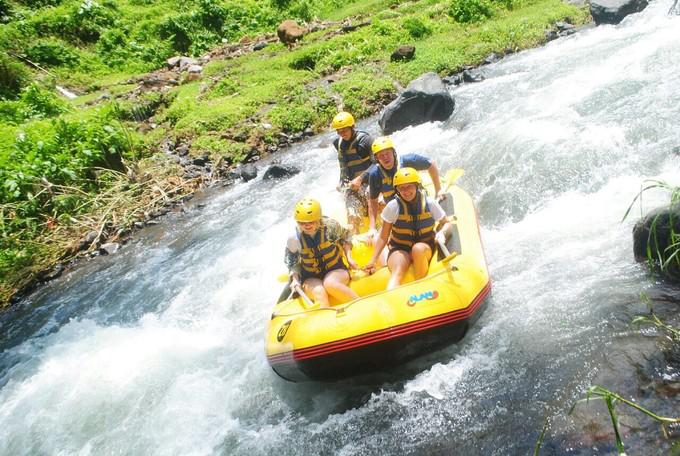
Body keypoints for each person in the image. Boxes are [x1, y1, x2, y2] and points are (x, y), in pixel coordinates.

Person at [364, 168, 452, 290]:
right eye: (402, 188)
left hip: (424, 246)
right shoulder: (392, 207)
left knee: (418, 249)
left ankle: (420, 289)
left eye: (409, 187)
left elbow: (447, 223)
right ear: (397, 190)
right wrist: (373, 260)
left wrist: (442, 232)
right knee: (398, 270)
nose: (406, 191)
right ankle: (393, 297)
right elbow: (384, 237)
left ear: (417, 186)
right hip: (400, 248)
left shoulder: (429, 203)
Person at [284, 198, 360, 307]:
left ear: (318, 218)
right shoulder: (294, 239)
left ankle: (361, 305)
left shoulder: (330, 227)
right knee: (319, 291)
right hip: (311, 277)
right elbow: (292, 262)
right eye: (302, 223)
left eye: (311, 221)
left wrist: (349, 258)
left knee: (330, 284)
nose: (307, 226)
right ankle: (326, 321)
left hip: (336, 270)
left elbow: (346, 238)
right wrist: (295, 280)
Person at [366, 136, 444, 241]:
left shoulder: (408, 160)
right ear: (377, 159)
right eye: (381, 155)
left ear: (393, 152)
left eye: (387, 153)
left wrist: (438, 190)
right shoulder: (375, 174)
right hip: (397, 210)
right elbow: (373, 202)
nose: (385, 157)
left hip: (419, 205)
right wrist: (372, 228)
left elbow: (431, 164)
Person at [331, 111, 374, 233]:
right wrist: (341, 182)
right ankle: (356, 239)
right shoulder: (338, 144)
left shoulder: (366, 140)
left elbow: (378, 163)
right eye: (339, 131)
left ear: (352, 127)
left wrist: (360, 179)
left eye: (344, 130)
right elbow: (344, 166)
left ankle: (375, 229)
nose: (342, 134)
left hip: (370, 182)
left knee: (372, 197)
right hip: (352, 187)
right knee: (352, 214)